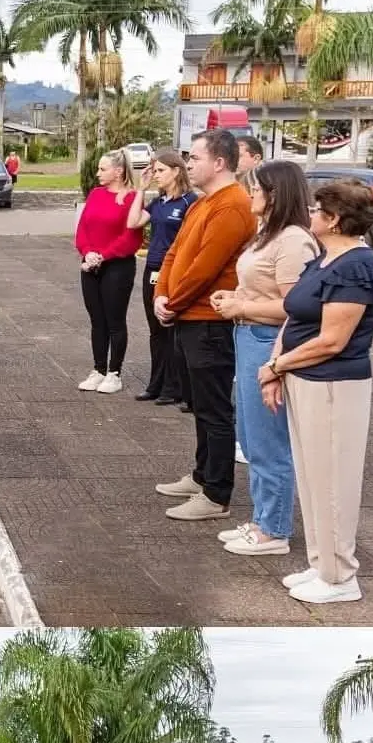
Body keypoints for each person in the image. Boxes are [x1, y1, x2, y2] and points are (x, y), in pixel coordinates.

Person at [259, 179, 373, 605]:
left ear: (333, 220)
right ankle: (321, 564)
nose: (310, 215)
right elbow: (295, 318)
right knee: (314, 477)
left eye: (317, 210)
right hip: (305, 379)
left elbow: (333, 340)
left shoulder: (356, 267)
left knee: (333, 480)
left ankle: (340, 576)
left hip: (334, 384)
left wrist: (277, 365)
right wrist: (277, 368)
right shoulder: (325, 260)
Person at [210, 161, 316, 558]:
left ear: (275, 193)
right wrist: (236, 300)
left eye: (255, 188)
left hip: (268, 339)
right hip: (248, 332)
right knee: (251, 434)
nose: (249, 193)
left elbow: (296, 306)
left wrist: (243, 306)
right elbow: (260, 288)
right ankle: (262, 519)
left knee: (268, 438)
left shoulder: (292, 240)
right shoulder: (266, 235)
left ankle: (273, 528)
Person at [154, 129, 256, 521]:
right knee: (198, 404)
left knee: (214, 409)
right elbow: (174, 253)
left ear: (218, 162)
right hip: (186, 316)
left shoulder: (231, 206)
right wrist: (161, 296)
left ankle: (216, 493)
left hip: (209, 321)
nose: (188, 164)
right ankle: (201, 476)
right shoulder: (202, 203)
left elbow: (206, 268)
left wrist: (173, 302)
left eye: (195, 158)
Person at [126, 150, 197, 405]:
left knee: (172, 330)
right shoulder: (160, 202)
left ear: (176, 171)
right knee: (155, 331)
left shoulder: (190, 202)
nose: (155, 175)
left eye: (160, 171)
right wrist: (141, 189)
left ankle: (175, 387)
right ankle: (156, 384)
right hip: (152, 268)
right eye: (154, 171)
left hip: (175, 272)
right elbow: (133, 222)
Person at [74, 149, 143, 395]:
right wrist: (88, 251)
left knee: (115, 321)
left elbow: (131, 236)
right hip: (90, 264)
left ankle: (114, 372)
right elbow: (83, 228)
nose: (98, 173)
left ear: (119, 171)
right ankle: (98, 369)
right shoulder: (95, 194)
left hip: (117, 266)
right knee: (97, 321)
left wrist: (104, 255)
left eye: (103, 169)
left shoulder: (132, 198)